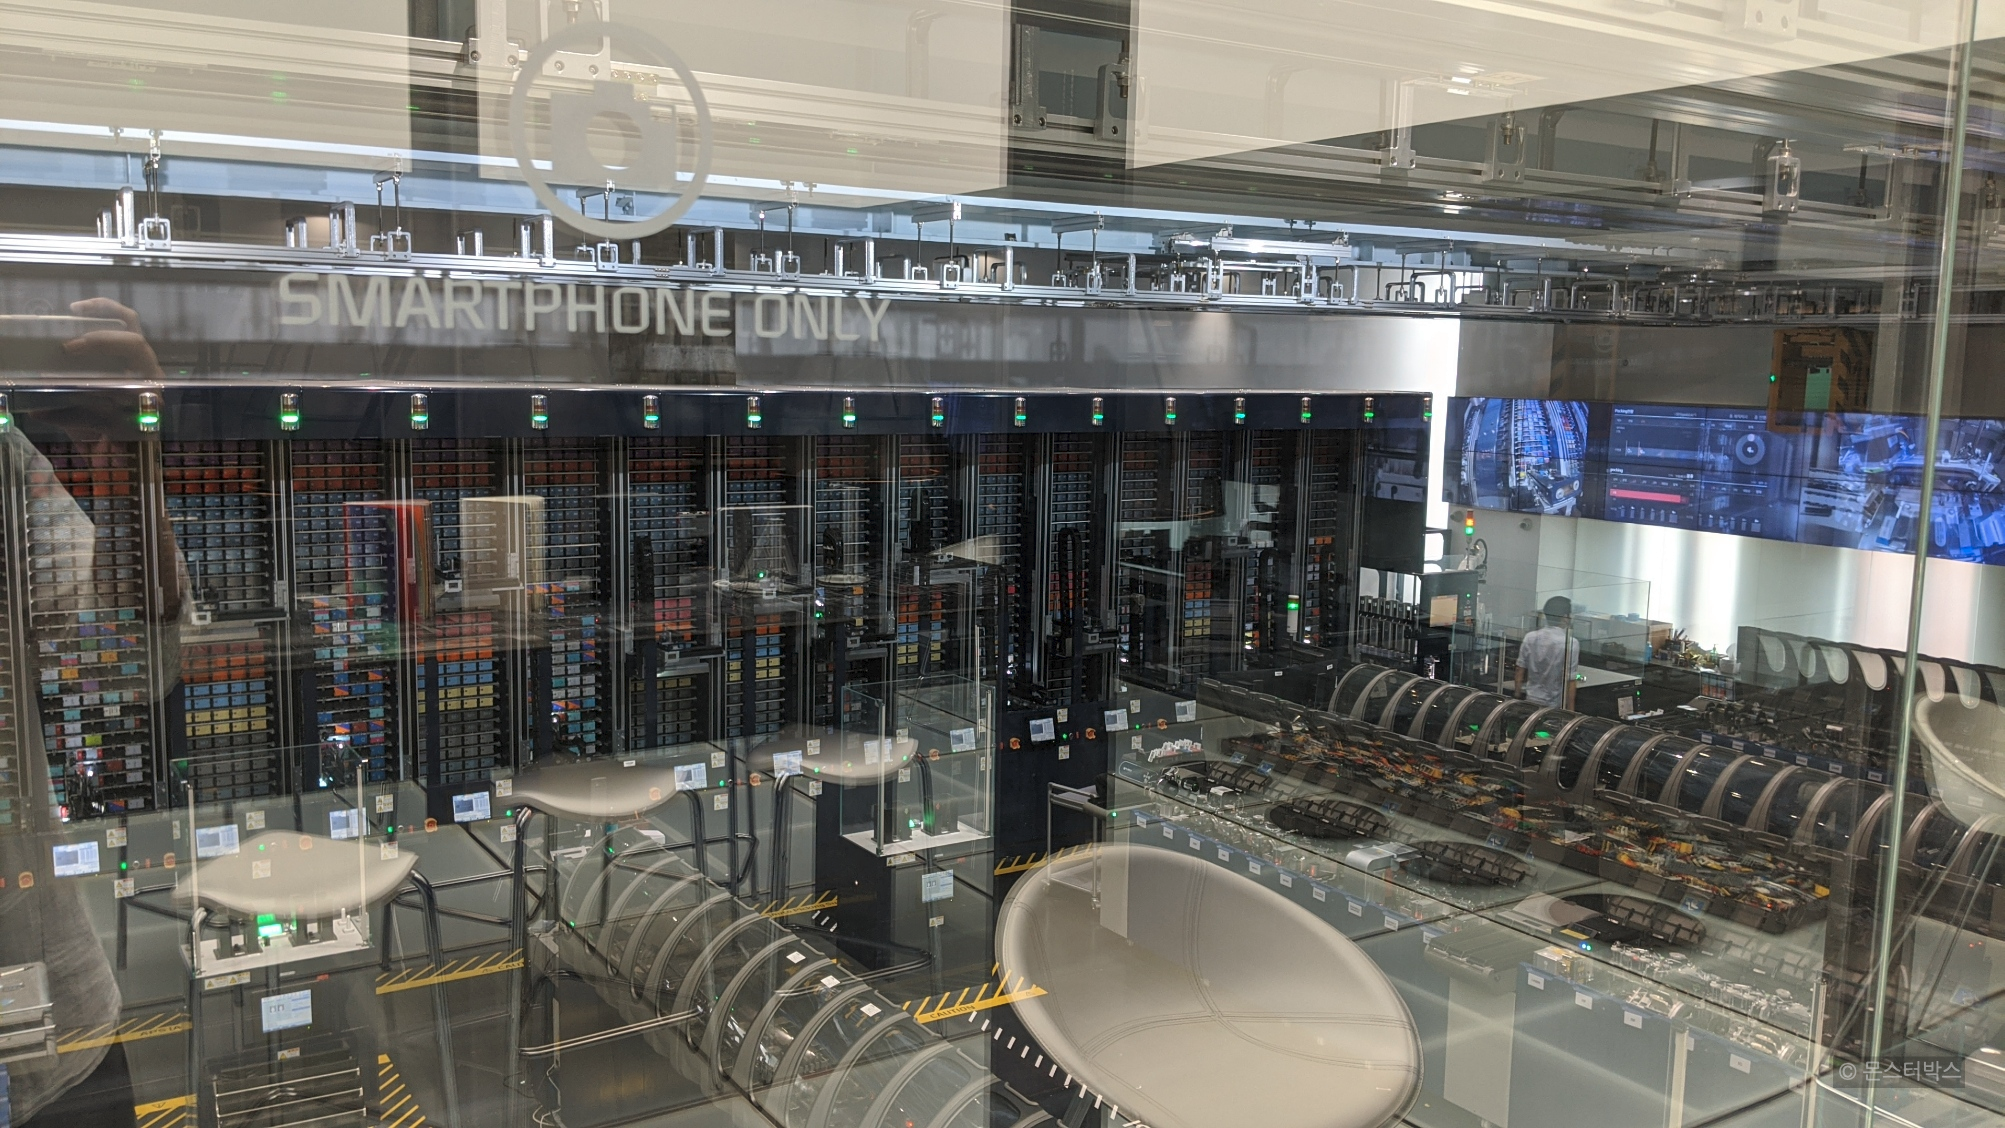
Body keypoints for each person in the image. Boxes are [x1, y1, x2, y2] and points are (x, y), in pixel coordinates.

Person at [1515, 595, 1578, 709]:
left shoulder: (1530, 637)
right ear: (1565, 617)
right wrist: (1571, 711)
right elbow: (1571, 681)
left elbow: (1520, 670)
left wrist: (1517, 695)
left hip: (1531, 700)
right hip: (1554, 704)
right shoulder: (1570, 643)